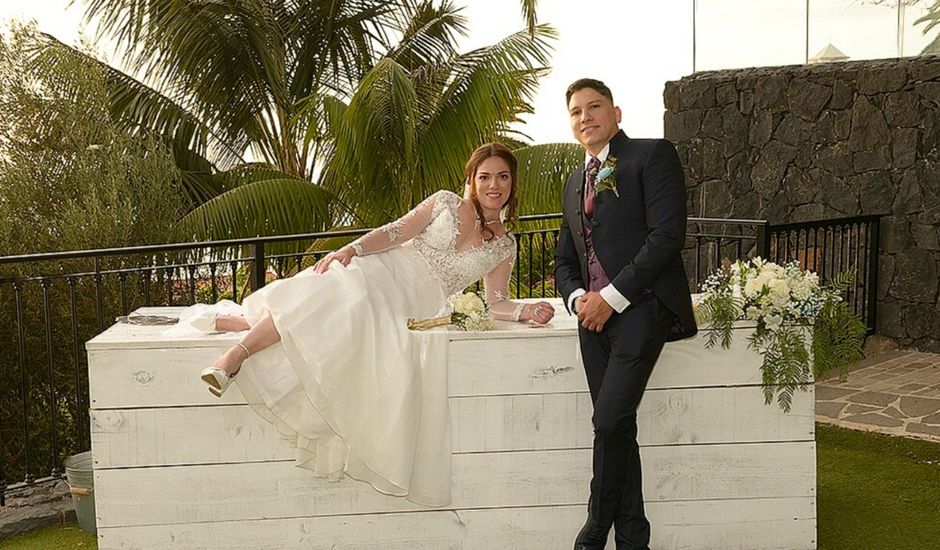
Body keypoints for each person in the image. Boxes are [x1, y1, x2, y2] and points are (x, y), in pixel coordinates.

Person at [192, 143, 555, 506]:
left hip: (415, 305)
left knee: (334, 323)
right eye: (485, 176)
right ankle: (233, 357)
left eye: (502, 177)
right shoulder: (445, 202)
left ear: (512, 183)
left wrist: (526, 311)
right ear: (472, 181)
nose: (494, 185)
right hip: (385, 270)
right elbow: (396, 231)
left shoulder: (504, 246)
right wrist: (353, 249)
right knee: (327, 297)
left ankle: (238, 322)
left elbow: (496, 302)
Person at [554, 79, 697, 550]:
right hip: (589, 320)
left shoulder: (650, 156)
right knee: (620, 427)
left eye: (594, 106)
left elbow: (665, 237)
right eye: (576, 111)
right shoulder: (575, 181)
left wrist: (610, 297)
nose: (585, 116)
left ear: (615, 113)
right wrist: (578, 300)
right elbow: (564, 261)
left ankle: (596, 527)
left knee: (609, 420)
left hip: (642, 308)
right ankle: (635, 540)